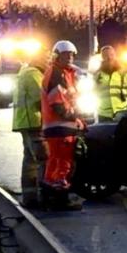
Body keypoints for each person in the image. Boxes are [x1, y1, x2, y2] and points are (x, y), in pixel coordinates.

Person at [40, 40, 85, 210]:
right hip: (60, 126)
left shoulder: (65, 73)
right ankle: (60, 199)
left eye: (72, 55)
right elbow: (57, 102)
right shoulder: (57, 73)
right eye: (66, 55)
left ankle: (49, 197)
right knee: (63, 162)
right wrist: (74, 116)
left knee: (54, 161)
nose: (70, 58)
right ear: (57, 56)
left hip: (58, 125)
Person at [12, 51, 48, 208]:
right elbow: (41, 99)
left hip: (25, 121)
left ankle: (29, 196)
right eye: (46, 58)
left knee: (29, 160)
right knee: (42, 158)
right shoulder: (34, 74)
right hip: (33, 121)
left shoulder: (24, 72)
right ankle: (42, 196)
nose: (48, 61)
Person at [95, 45, 127, 122]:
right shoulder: (98, 74)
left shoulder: (124, 72)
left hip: (122, 112)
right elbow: (93, 91)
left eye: (111, 55)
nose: (109, 57)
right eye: (106, 55)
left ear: (115, 56)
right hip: (104, 114)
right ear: (102, 58)